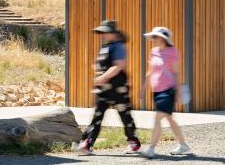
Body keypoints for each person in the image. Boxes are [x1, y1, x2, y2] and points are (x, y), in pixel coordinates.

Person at [75, 20, 141, 155]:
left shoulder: (118, 46)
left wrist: (102, 77)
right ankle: (87, 143)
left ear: (113, 33)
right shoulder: (106, 46)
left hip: (118, 88)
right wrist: (98, 71)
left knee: (125, 116)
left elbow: (118, 66)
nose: (102, 35)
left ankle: (134, 142)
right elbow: (103, 65)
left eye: (104, 32)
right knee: (97, 116)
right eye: (101, 32)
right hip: (104, 89)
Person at [140, 26, 190, 158]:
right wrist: (143, 89)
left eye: (155, 37)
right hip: (156, 91)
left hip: (168, 91)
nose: (153, 39)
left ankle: (151, 149)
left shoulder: (172, 51)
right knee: (169, 118)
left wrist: (178, 92)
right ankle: (183, 145)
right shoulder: (153, 51)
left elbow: (176, 73)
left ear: (163, 38)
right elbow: (150, 72)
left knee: (157, 118)